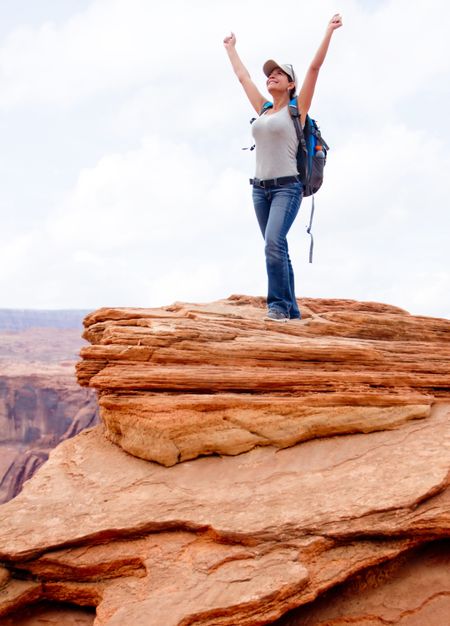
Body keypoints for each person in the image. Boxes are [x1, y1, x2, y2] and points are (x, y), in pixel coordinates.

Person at [224, 14, 343, 321]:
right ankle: (291, 309)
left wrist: (328, 31)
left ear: (291, 84)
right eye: (270, 73)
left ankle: (277, 307)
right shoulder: (263, 110)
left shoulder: (297, 110)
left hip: (286, 188)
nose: (271, 76)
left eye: (279, 74)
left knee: (274, 244)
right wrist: (231, 49)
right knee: (277, 247)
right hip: (259, 190)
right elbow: (243, 79)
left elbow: (315, 68)